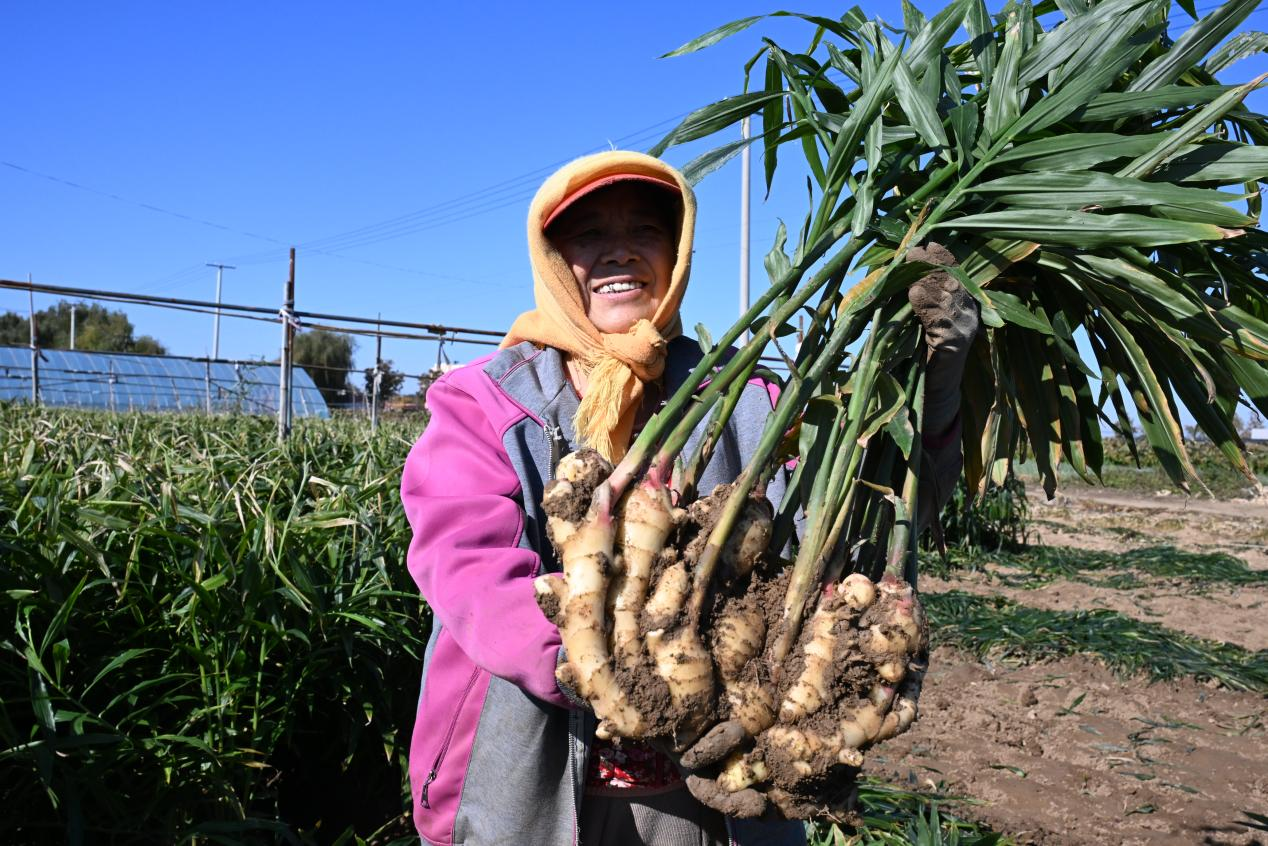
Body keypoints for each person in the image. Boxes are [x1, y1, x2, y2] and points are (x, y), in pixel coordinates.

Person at [399, 150, 977, 845]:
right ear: (555, 258)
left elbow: (869, 524)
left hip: (712, 791)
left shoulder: (752, 403)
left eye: (644, 231)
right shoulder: (483, 403)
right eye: (588, 236)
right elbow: (469, 570)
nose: (618, 252)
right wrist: (611, 672)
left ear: (675, 253)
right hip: (528, 783)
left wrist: (937, 385)